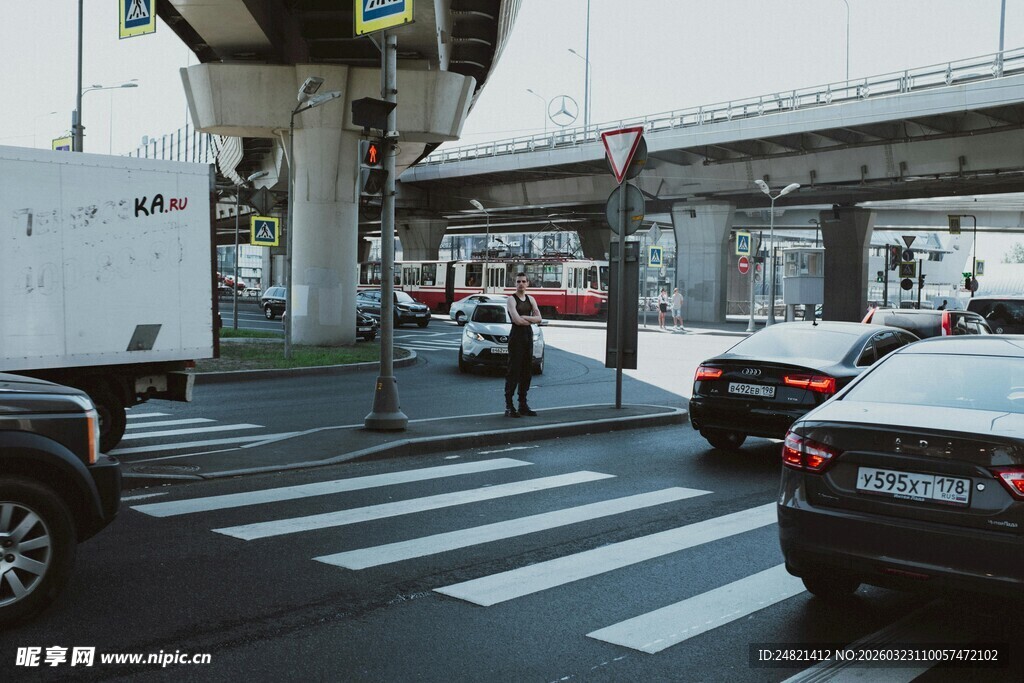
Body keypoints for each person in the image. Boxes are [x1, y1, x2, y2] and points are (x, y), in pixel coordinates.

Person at [505, 272, 542, 417]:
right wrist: (531, 319)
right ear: (515, 283)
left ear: (527, 283)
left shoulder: (531, 299)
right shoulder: (511, 300)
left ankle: (522, 404)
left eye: (523, 281)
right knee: (513, 371)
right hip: (516, 337)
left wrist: (526, 317)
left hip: (528, 336)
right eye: (518, 281)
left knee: (526, 372)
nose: (521, 284)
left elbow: (539, 318)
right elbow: (516, 321)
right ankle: (509, 406)